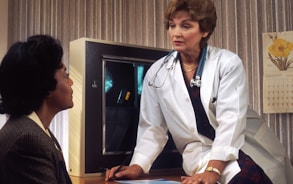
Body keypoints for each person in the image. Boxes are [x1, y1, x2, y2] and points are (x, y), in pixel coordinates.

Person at [105, 0, 293, 183]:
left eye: (186, 26)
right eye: (172, 25)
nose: (176, 33)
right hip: (200, 153)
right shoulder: (157, 73)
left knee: (249, 178)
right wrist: (137, 166)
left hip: (243, 145)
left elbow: (231, 120)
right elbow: (152, 127)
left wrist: (213, 170)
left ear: (205, 30)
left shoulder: (227, 63)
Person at [0, 34, 73, 184]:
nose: (71, 82)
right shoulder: (29, 141)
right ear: (46, 84)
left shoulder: (34, 131)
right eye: (65, 76)